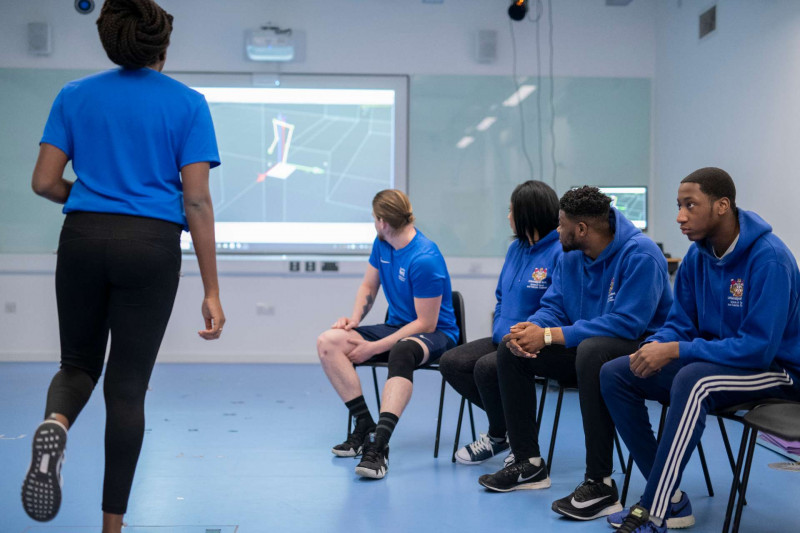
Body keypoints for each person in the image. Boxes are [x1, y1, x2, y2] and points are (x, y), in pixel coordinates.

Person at [20, 1, 225, 531]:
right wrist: (212, 290)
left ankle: (56, 422)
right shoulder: (188, 103)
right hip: (151, 245)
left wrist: (90, 198)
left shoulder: (75, 95)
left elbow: (44, 182)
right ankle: (112, 526)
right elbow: (197, 202)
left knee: (77, 365)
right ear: (163, 45)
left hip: (83, 237)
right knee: (128, 387)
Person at [600, 167, 800, 533]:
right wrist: (656, 345)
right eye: (679, 205)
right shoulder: (696, 256)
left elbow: (757, 349)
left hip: (780, 370)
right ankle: (670, 497)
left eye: (690, 205)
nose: (680, 216)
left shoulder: (769, 258)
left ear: (722, 206)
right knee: (616, 372)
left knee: (695, 380)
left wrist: (677, 350)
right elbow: (680, 323)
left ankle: (654, 511)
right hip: (721, 361)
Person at [478, 186, 673, 523]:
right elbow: (553, 306)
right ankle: (529, 464)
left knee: (592, 352)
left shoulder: (640, 255)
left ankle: (600, 483)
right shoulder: (570, 257)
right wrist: (532, 329)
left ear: (581, 229)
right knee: (511, 352)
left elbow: (627, 324)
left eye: (561, 224)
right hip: (586, 349)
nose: (557, 231)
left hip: (639, 352)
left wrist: (550, 335)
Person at [316, 189, 459, 479]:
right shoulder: (382, 244)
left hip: (437, 334)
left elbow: (425, 324)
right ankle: (365, 426)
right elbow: (369, 287)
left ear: (382, 221)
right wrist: (353, 321)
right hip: (397, 327)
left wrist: (373, 347)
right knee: (329, 341)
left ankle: (379, 447)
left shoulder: (424, 258)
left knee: (402, 350)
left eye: (373, 218)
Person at [439, 180, 562, 465]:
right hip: (502, 337)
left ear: (528, 213)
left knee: (485, 368)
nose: (508, 217)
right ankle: (511, 429)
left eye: (511, 210)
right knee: (452, 363)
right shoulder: (515, 249)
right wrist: (501, 326)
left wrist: (527, 332)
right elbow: (501, 295)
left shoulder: (560, 252)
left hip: (535, 341)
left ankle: (498, 437)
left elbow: (557, 306)